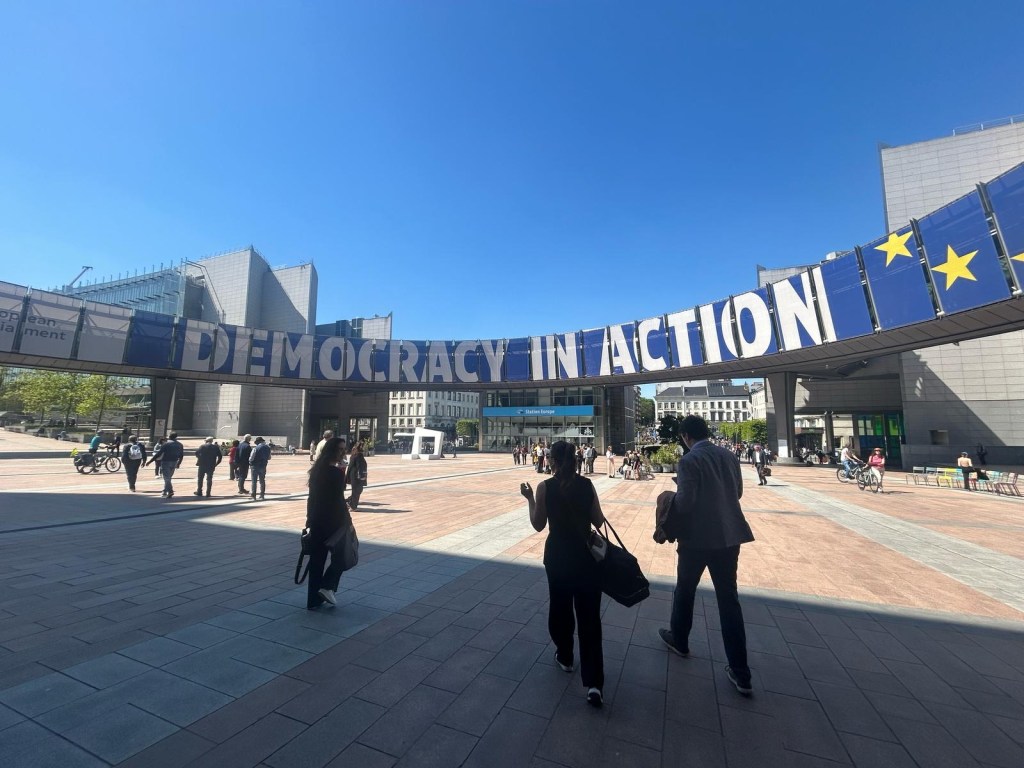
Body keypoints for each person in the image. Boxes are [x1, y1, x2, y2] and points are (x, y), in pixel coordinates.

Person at [659, 415, 755, 697]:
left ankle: (680, 639)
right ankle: (741, 671)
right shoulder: (728, 456)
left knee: (685, 589)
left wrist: (669, 496)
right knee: (729, 599)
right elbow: (736, 492)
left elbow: (686, 503)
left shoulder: (689, 460)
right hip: (729, 536)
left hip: (697, 539)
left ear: (685, 436)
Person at [520, 441, 606, 708]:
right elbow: (599, 521)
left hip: (558, 557)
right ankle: (594, 684)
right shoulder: (586, 485)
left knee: (560, 609)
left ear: (552, 461)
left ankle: (566, 657)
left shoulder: (546, 487)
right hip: (585, 559)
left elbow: (538, 524)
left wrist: (530, 498)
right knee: (589, 617)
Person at [305, 437, 353, 610]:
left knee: (317, 561)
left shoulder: (317, 470)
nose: (342, 452)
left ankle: (313, 600)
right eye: (339, 449)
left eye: (344, 449)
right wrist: (347, 521)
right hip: (333, 522)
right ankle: (326, 587)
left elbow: (312, 498)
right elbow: (338, 500)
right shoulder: (335, 473)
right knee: (343, 556)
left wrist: (309, 519)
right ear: (331, 451)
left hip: (318, 520)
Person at [151, 432, 184, 498]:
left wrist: (150, 461)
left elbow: (159, 453)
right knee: (168, 478)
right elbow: (181, 455)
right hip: (174, 462)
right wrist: (179, 463)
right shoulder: (180, 444)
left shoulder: (166, 444)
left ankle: (170, 491)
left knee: (167, 478)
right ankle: (165, 491)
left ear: (169, 436)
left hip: (166, 462)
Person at [346, 442, 368, 510]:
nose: (365, 448)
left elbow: (350, 466)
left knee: (356, 490)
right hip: (357, 476)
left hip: (353, 475)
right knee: (357, 490)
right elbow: (359, 467)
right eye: (363, 446)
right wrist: (362, 476)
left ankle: (350, 502)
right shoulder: (359, 455)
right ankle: (353, 506)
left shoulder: (354, 454)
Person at [249, 436, 271, 500]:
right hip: (263, 466)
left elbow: (251, 458)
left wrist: (250, 462)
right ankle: (262, 495)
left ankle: (254, 496)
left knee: (254, 481)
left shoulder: (255, 448)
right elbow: (269, 458)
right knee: (262, 481)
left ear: (258, 442)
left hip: (255, 466)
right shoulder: (268, 448)